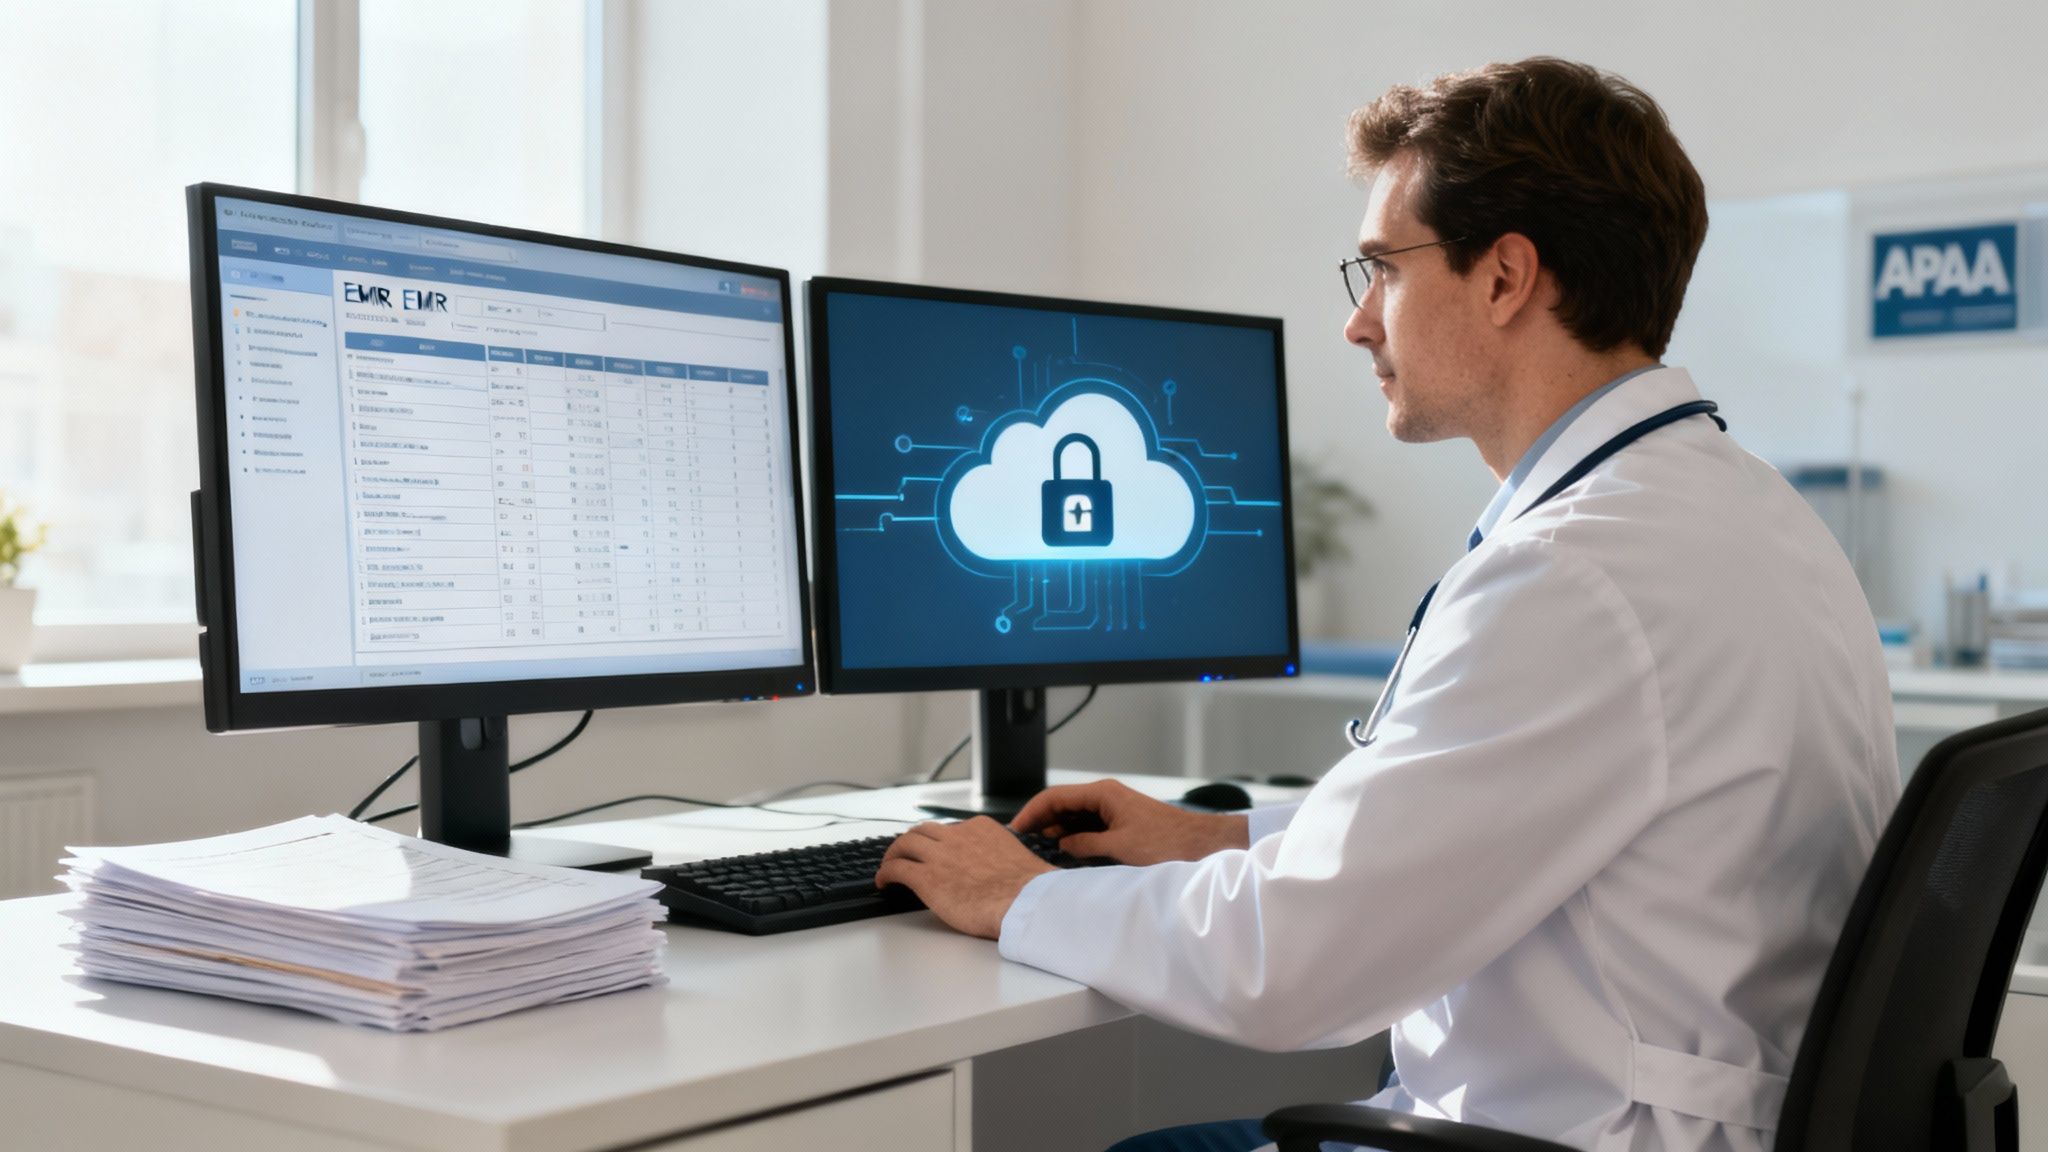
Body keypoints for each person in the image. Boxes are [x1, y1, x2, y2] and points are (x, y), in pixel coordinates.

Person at [875, 56, 1898, 1151]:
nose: (1358, 324)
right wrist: (1221, 833)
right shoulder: (1732, 509)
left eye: (1382, 271)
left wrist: (1017, 897)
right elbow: (1481, 815)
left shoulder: (1574, 575)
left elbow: (1289, 970)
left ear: (1505, 277)